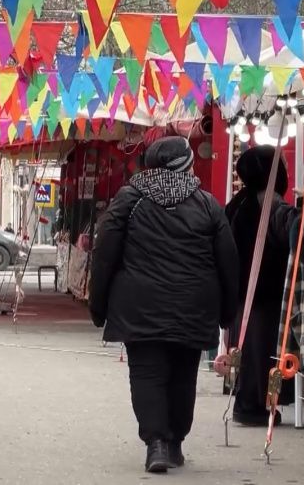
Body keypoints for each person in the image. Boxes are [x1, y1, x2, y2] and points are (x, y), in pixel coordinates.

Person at [89, 137, 239, 474]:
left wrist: (98, 305)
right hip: (194, 305)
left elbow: (105, 253)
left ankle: (155, 443)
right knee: (184, 375)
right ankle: (175, 444)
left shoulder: (129, 199)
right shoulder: (207, 204)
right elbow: (228, 262)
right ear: (187, 164)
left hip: (140, 305)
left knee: (147, 373)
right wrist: (228, 312)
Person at [224, 146, 304, 427]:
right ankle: (255, 406)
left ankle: (248, 402)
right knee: (262, 354)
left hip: (242, 292)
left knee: (247, 352)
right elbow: (291, 227)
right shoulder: (269, 203)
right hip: (265, 294)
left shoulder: (238, 203)